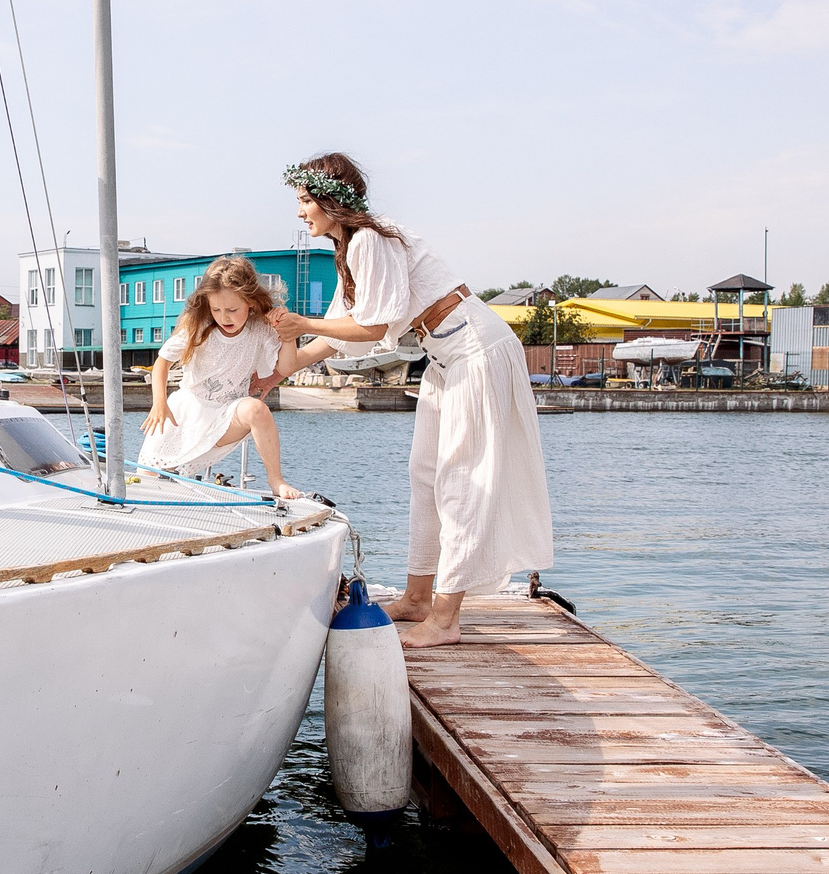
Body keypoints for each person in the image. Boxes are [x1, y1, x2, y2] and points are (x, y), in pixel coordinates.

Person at [268, 154, 552, 647]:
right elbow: (345, 334)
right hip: (444, 359)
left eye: (306, 200)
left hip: (475, 350)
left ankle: (445, 619)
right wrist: (279, 367)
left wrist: (304, 324)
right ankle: (419, 599)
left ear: (332, 200)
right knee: (425, 476)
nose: (300, 213)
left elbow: (374, 326)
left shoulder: (371, 240)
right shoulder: (352, 247)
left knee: (461, 482)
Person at [140, 256, 304, 498]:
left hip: (226, 413)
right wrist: (159, 403)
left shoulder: (260, 329)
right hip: (187, 412)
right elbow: (162, 362)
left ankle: (276, 479)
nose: (224, 316)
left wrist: (286, 332)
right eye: (216, 309)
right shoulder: (200, 325)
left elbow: (287, 368)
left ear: (249, 301)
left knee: (257, 410)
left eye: (232, 310)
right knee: (148, 481)